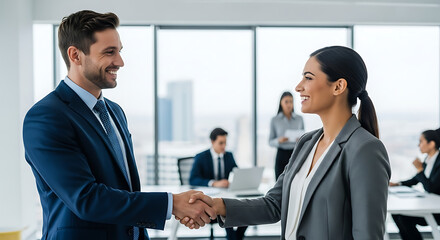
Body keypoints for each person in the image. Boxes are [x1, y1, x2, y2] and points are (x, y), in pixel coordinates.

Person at [23, 10, 214, 240]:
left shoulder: (114, 112)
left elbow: (126, 190)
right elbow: (86, 199)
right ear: (75, 55)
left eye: (119, 51)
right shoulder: (47, 116)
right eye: (109, 52)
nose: (120, 62)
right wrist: (172, 204)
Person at [183, 46, 391, 239]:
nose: (298, 87)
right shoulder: (306, 143)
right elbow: (274, 205)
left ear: (338, 86)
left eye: (308, 77)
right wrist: (217, 205)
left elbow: (367, 235)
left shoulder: (365, 149)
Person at [189, 128, 248, 240]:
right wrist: (214, 183)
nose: (223, 146)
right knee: (228, 212)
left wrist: (234, 181)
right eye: (221, 143)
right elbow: (193, 179)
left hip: (227, 197)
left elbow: (237, 173)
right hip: (209, 202)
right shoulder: (201, 157)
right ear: (212, 142)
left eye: (225, 143)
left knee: (246, 213)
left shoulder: (228, 156)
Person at [390, 129, 440, 240]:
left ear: (431, 144)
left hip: (437, 210)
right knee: (397, 215)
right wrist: (398, 184)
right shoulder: (429, 159)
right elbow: (416, 180)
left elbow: (431, 188)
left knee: (403, 218)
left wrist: (419, 169)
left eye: (421, 141)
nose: (419, 145)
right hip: (430, 205)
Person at [269, 91, 304, 180]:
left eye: (291, 101)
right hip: (281, 154)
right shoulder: (275, 120)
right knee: (279, 182)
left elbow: (304, 137)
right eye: (286, 102)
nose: (289, 104)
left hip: (295, 154)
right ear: (281, 103)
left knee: (296, 182)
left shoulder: (299, 119)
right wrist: (278, 140)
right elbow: (270, 141)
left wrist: (300, 139)